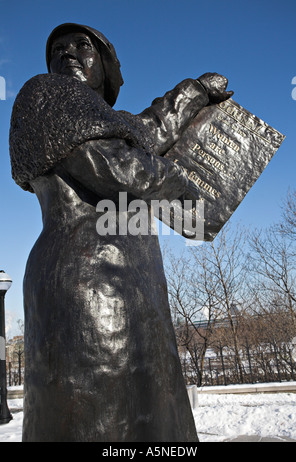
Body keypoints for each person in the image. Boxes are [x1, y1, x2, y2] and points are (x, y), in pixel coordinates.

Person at [9, 23, 233, 442]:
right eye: (58, 48)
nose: (68, 53)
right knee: (99, 421)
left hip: (139, 289)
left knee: (155, 420)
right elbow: (121, 169)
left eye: (82, 45)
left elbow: (149, 129)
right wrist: (200, 208)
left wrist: (196, 91)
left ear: (107, 67)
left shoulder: (110, 122)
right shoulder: (45, 95)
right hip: (88, 284)